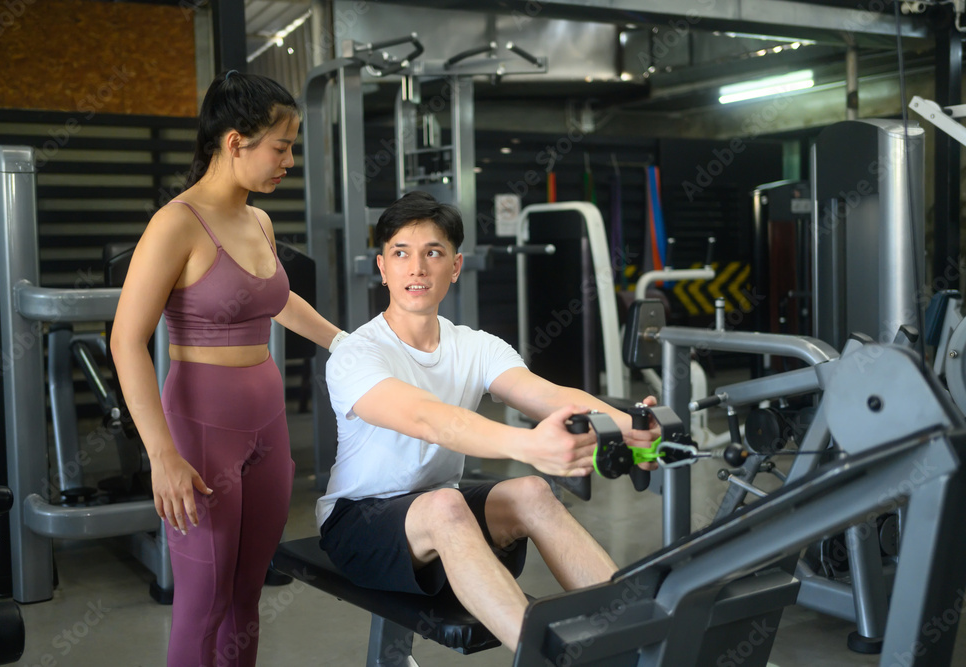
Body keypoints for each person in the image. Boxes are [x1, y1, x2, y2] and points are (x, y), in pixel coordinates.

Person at [318, 190, 658, 652]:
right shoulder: (358, 353)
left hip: (438, 506)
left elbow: (547, 394)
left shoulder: (475, 345)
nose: (416, 268)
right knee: (446, 506)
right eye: (401, 253)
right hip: (359, 521)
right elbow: (427, 419)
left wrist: (627, 423)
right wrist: (527, 446)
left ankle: (637, 641)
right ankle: (546, 658)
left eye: (433, 253)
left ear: (455, 267)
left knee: (533, 492)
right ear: (383, 268)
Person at [111, 70, 345, 667]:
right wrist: (162, 456)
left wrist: (344, 342)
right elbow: (126, 340)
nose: (288, 161)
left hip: (268, 427)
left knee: (246, 598)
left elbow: (276, 299)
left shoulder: (258, 221)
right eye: (281, 146)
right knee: (203, 603)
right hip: (201, 429)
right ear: (236, 142)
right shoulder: (176, 224)